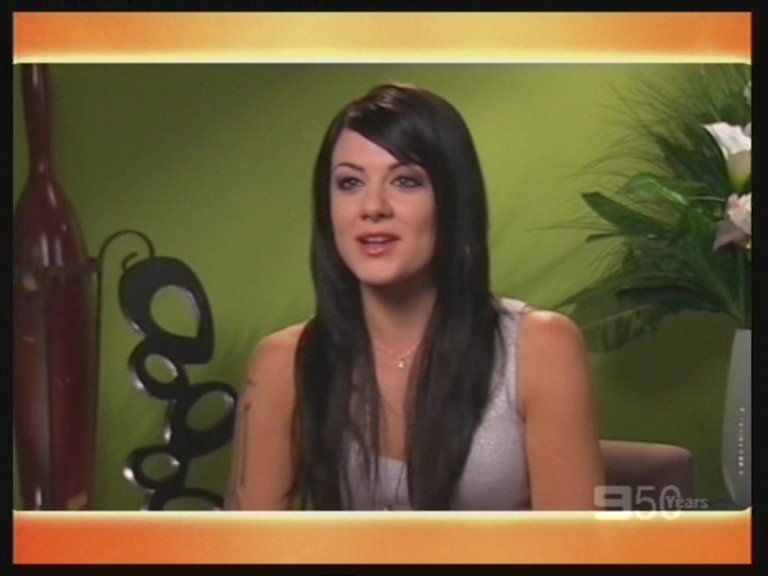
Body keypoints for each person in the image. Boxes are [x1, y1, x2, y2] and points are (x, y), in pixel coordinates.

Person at [225, 83, 604, 511]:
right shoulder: (283, 363)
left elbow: (575, 544)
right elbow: (248, 541)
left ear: (452, 200)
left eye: (405, 181)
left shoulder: (542, 348)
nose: (373, 207)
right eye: (350, 183)